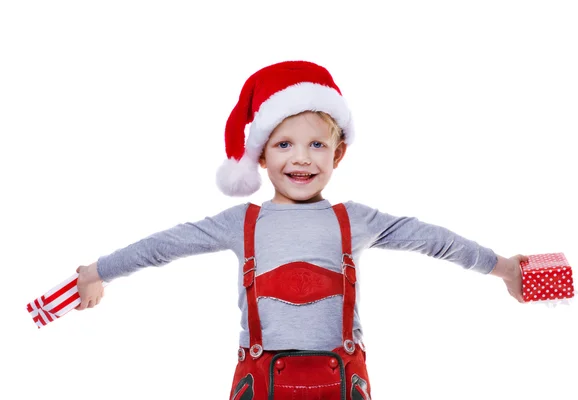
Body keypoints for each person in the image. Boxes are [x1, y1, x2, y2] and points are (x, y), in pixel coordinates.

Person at [75, 60, 528, 399]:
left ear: (338, 155)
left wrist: (505, 268)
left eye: (317, 144)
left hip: (342, 383)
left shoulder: (356, 220)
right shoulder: (242, 223)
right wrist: (98, 271)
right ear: (261, 156)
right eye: (284, 144)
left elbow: (435, 241)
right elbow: (164, 246)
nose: (301, 158)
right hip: (260, 385)